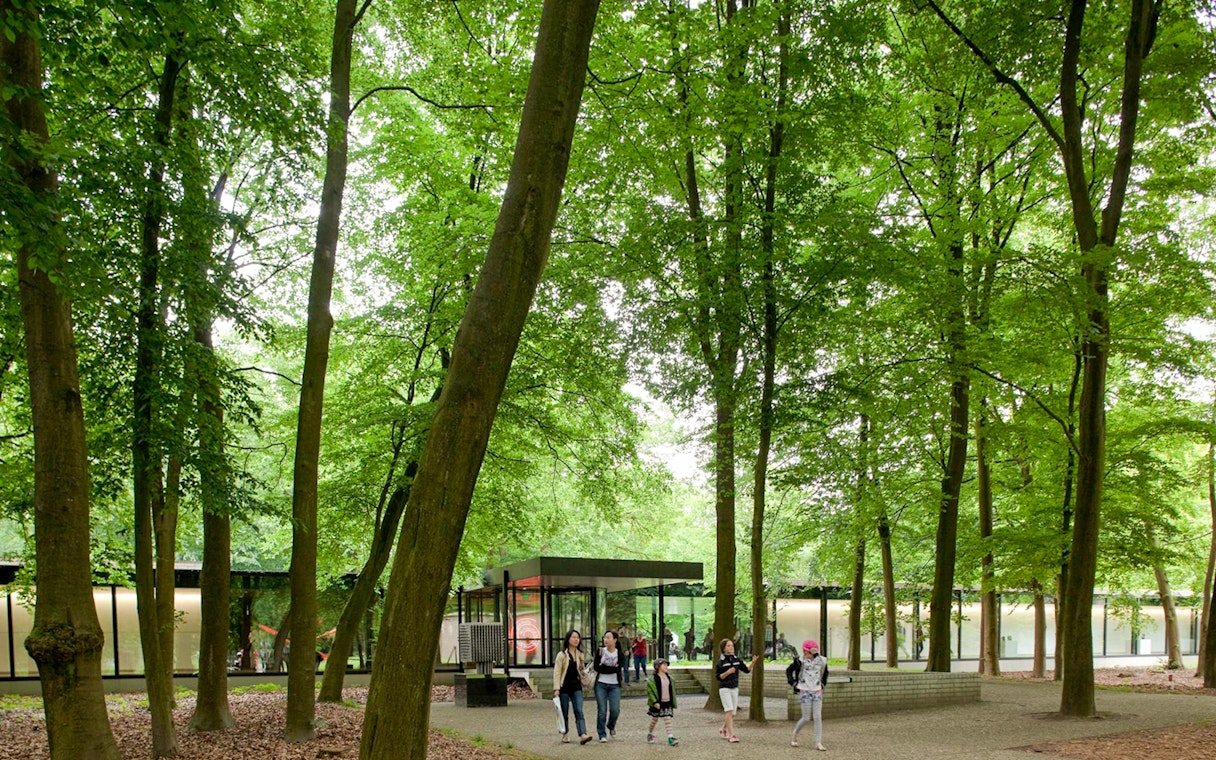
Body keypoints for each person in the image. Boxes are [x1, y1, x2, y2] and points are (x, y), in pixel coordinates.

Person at [553, 629, 594, 745]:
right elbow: (557, 672)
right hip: (564, 687)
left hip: (576, 686)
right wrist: (556, 689)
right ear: (568, 639)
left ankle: (582, 734)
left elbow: (581, 671)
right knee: (564, 712)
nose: (576, 639)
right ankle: (565, 733)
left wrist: (582, 663)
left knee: (579, 711)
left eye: (578, 637)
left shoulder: (579, 654)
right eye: (573, 637)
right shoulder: (562, 655)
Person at [716, 638, 760, 743]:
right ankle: (732, 735)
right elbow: (718, 677)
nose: (731, 647)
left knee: (733, 713)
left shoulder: (737, 660)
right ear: (723, 648)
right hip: (724, 688)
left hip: (734, 688)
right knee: (729, 710)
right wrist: (728, 672)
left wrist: (753, 663)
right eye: (728, 646)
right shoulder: (721, 662)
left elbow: (746, 670)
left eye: (732, 645)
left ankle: (723, 728)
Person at [788, 639, 829, 751]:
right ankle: (795, 734)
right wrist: (793, 683)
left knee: (817, 717)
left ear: (813, 652)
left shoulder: (822, 661)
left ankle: (818, 742)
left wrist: (823, 684)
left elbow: (825, 673)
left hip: (817, 691)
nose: (805, 654)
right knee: (806, 718)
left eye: (807, 652)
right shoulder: (800, 661)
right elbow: (789, 670)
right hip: (804, 691)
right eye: (804, 651)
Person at [592, 630, 625, 742]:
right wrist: (611, 669)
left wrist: (605, 667)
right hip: (601, 684)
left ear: (615, 640)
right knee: (602, 710)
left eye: (608, 637)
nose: (605, 640)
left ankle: (611, 726)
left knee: (615, 710)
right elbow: (597, 667)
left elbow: (618, 668)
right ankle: (602, 734)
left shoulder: (619, 653)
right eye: (605, 637)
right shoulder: (600, 651)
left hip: (615, 685)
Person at [645, 658, 679, 745]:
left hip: (667, 702)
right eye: (664, 665)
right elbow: (650, 692)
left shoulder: (670, 678)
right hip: (657, 703)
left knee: (667, 719)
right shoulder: (652, 679)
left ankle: (670, 737)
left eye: (666, 665)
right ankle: (650, 733)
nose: (666, 666)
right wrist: (655, 702)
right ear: (658, 667)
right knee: (654, 720)